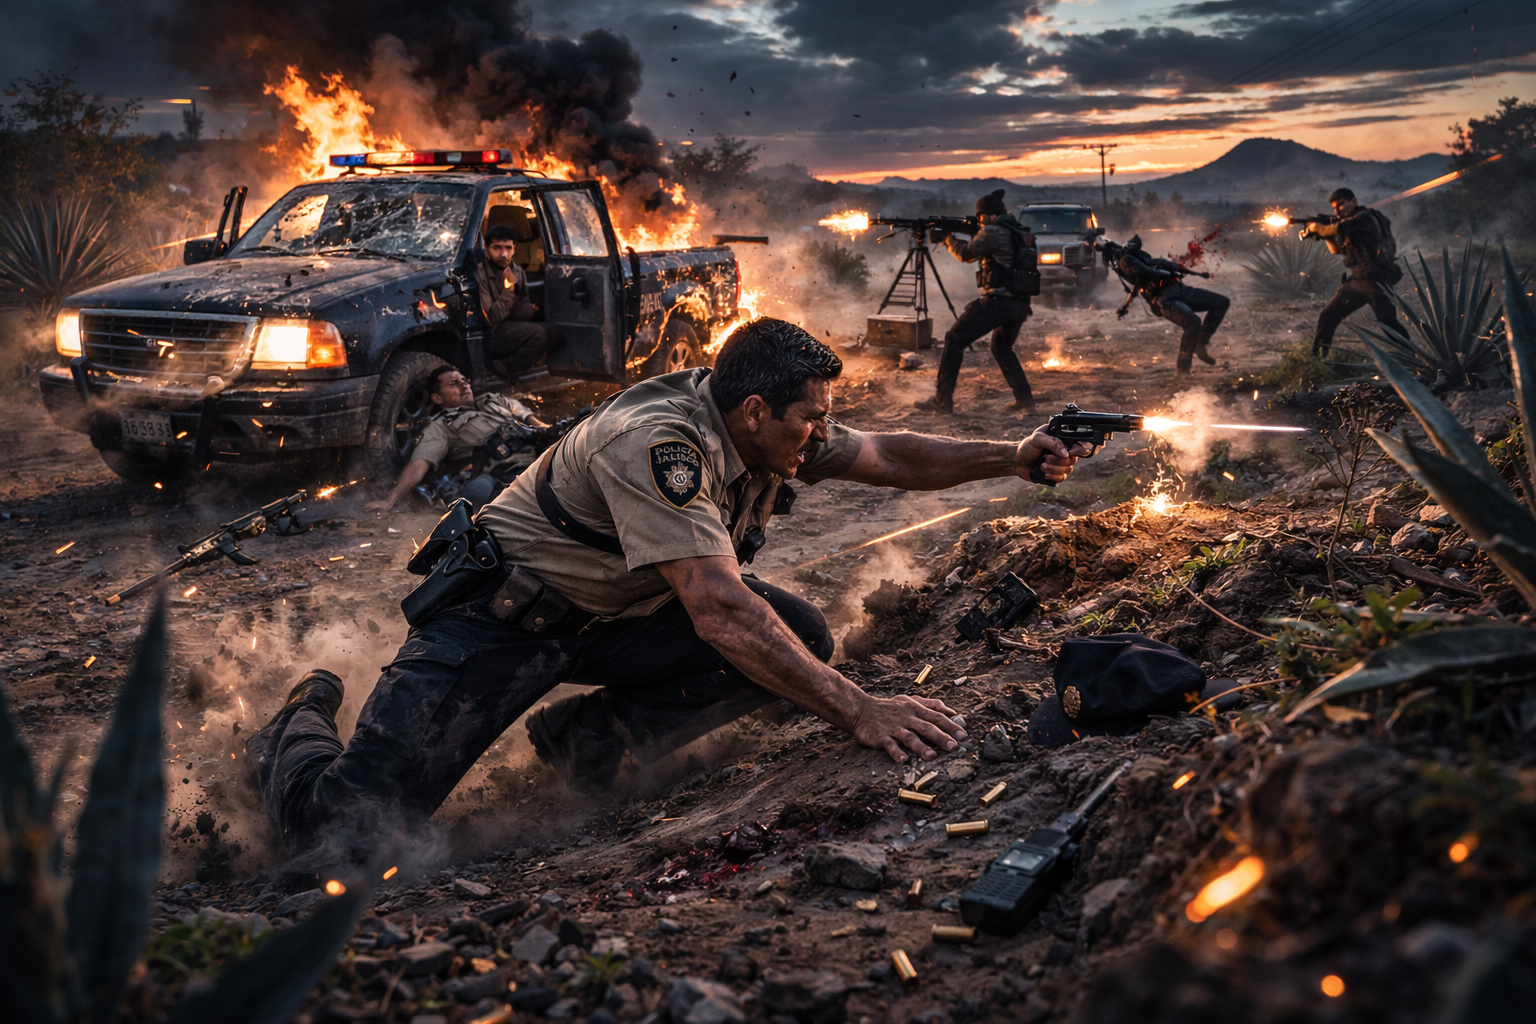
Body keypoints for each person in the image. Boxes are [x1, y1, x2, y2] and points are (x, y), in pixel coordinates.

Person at [248, 317, 1088, 863]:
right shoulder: (659, 444)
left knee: (794, 631)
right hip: (501, 624)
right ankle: (300, 716)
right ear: (756, 409)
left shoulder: (768, 427)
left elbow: (893, 456)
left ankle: (585, 735)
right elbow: (720, 610)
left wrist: (1012, 454)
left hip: (615, 620)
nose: (825, 436)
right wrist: (860, 710)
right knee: (340, 838)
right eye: (813, 419)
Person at [915, 189, 1037, 416]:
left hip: (1000, 302)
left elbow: (965, 254)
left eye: (981, 218)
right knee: (1002, 348)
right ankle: (1025, 400)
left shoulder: (994, 232)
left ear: (990, 215)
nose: (979, 222)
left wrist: (948, 237)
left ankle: (942, 400)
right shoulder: (1016, 231)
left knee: (954, 338)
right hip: (1020, 303)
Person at [364, 366, 547, 514]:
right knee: (479, 491)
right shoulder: (442, 425)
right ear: (437, 398)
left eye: (464, 381)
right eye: (453, 384)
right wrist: (391, 499)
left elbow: (533, 421)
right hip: (506, 470)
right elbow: (418, 466)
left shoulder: (494, 400)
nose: (464, 386)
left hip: (540, 453)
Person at [1304, 187, 1404, 356]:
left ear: (1354, 202)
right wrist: (1325, 235)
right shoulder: (1351, 224)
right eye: (1334, 207)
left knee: (1388, 323)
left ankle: (1411, 359)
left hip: (1377, 282)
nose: (1337, 210)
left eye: (1341, 205)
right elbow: (1339, 251)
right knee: (1328, 316)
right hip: (1358, 281)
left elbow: (1339, 229)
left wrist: (1317, 228)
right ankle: (1318, 361)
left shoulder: (1365, 219)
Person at [1114, 236, 1231, 375]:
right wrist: (1126, 305)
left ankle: (1201, 342)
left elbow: (1177, 267)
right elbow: (1139, 282)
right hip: (1165, 300)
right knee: (1193, 322)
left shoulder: (1155, 261)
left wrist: (1198, 274)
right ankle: (1182, 368)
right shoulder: (1132, 264)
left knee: (1221, 302)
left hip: (1183, 291)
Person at [479, 223, 559, 374]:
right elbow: (492, 318)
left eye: (508, 248)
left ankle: (527, 369)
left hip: (512, 325)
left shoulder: (517, 270)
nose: (504, 254)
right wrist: (509, 288)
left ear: (514, 248)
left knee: (553, 331)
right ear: (487, 250)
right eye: (497, 248)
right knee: (538, 335)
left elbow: (523, 300)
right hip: (491, 333)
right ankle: (501, 368)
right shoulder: (481, 274)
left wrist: (529, 310)